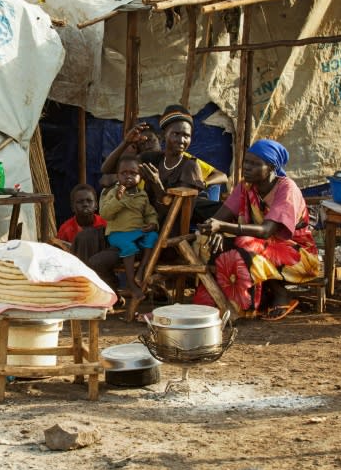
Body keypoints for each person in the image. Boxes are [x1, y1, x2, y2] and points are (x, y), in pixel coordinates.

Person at [195, 138, 320, 321]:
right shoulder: (245, 187)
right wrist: (216, 231)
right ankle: (219, 302)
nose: (247, 167)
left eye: (255, 164)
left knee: (245, 243)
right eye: (246, 161)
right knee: (207, 243)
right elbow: (219, 218)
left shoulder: (287, 189)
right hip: (259, 245)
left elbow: (266, 231)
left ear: (271, 167)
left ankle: (265, 299)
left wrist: (222, 227)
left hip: (297, 255)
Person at [137, 105, 228, 224]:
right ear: (164, 134)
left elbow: (178, 217)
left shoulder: (190, 165)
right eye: (176, 134)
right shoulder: (151, 158)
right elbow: (109, 169)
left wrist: (202, 183)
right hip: (151, 220)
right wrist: (126, 142)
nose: (181, 140)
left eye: (186, 136)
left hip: (169, 226)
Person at [100, 154, 159, 301]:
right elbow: (105, 214)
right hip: (117, 234)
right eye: (124, 173)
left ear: (140, 177)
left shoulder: (142, 195)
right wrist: (119, 200)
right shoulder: (112, 193)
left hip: (137, 232)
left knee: (153, 236)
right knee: (128, 247)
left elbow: (150, 213)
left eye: (133, 173)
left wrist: (152, 223)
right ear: (117, 175)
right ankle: (132, 286)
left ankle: (141, 270)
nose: (128, 176)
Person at [53, 184, 120, 291]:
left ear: (96, 205)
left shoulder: (105, 224)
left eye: (89, 201)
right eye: (80, 202)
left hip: (101, 270)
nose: (85, 204)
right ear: (72, 207)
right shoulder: (66, 229)